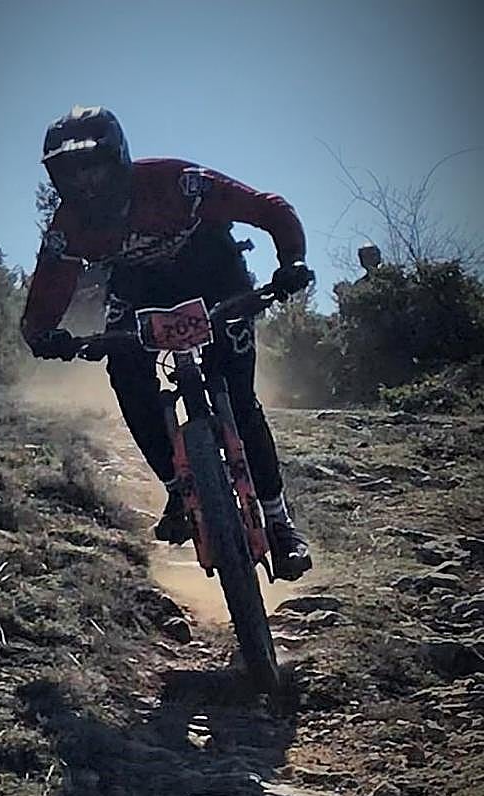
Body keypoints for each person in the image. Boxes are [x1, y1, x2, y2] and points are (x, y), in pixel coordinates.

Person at [21, 105, 313, 581]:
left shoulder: (179, 183)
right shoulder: (68, 227)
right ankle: (178, 486)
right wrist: (42, 332)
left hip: (214, 274)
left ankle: (280, 525)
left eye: (93, 166)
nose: (85, 183)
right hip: (140, 289)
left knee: (239, 397)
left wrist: (291, 262)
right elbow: (51, 287)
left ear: (118, 159)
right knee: (125, 372)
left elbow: (267, 208)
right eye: (71, 173)